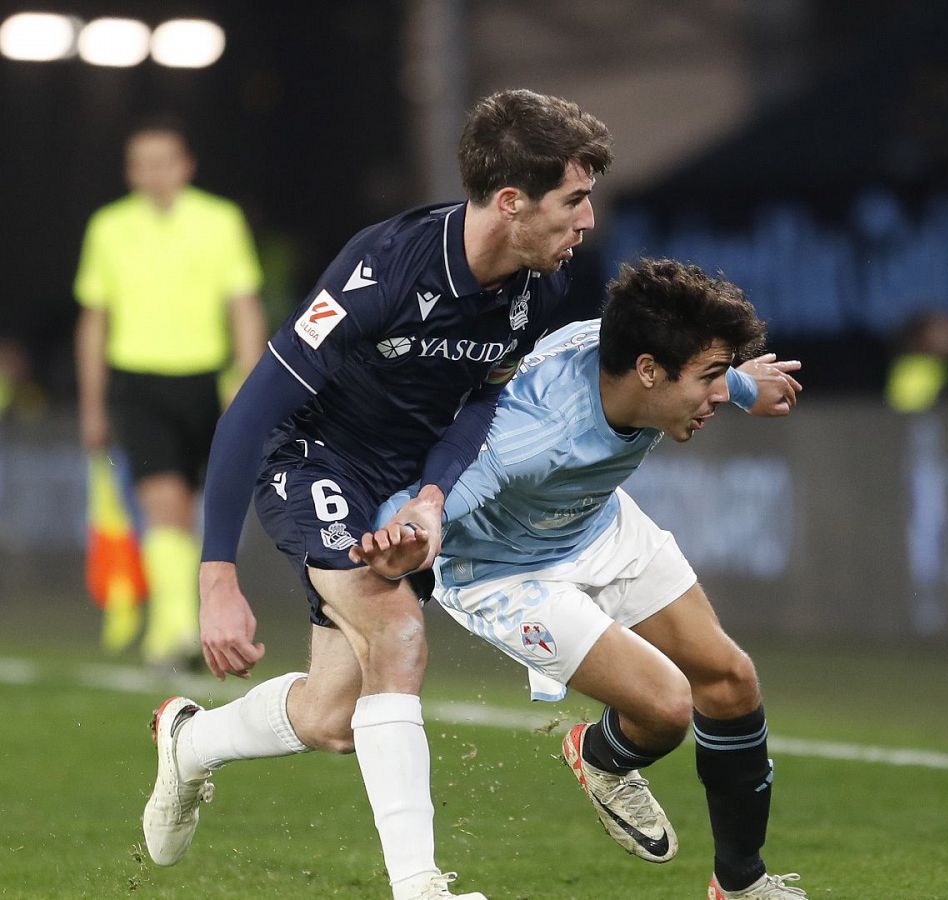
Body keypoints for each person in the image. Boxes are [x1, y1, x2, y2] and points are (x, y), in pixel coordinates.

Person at [139, 89, 614, 900]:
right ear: (511, 202)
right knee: (395, 634)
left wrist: (430, 497)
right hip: (316, 457)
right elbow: (254, 407)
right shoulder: (382, 268)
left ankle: (190, 743)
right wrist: (216, 575)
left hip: (401, 489)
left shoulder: (542, 287)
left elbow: (479, 402)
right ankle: (419, 886)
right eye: (573, 199)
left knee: (331, 718)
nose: (588, 221)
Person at [353, 259, 809, 899]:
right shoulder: (531, 435)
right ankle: (600, 755)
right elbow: (427, 497)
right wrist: (399, 536)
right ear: (649, 372)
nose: (717, 393)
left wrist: (739, 384)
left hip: (594, 523)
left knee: (730, 681)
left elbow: (687, 366)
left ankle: (741, 884)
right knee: (666, 708)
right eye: (710, 378)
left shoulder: (636, 357)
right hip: (501, 570)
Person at [74, 122, 266, 667]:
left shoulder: (220, 220)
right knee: (164, 505)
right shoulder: (108, 227)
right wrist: (93, 404)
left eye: (164, 160)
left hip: (208, 381)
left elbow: (244, 305)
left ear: (186, 164)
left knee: (205, 508)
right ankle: (175, 633)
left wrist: (246, 382)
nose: (153, 172)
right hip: (139, 382)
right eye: (142, 162)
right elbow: (94, 319)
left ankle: (185, 623)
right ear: (130, 170)